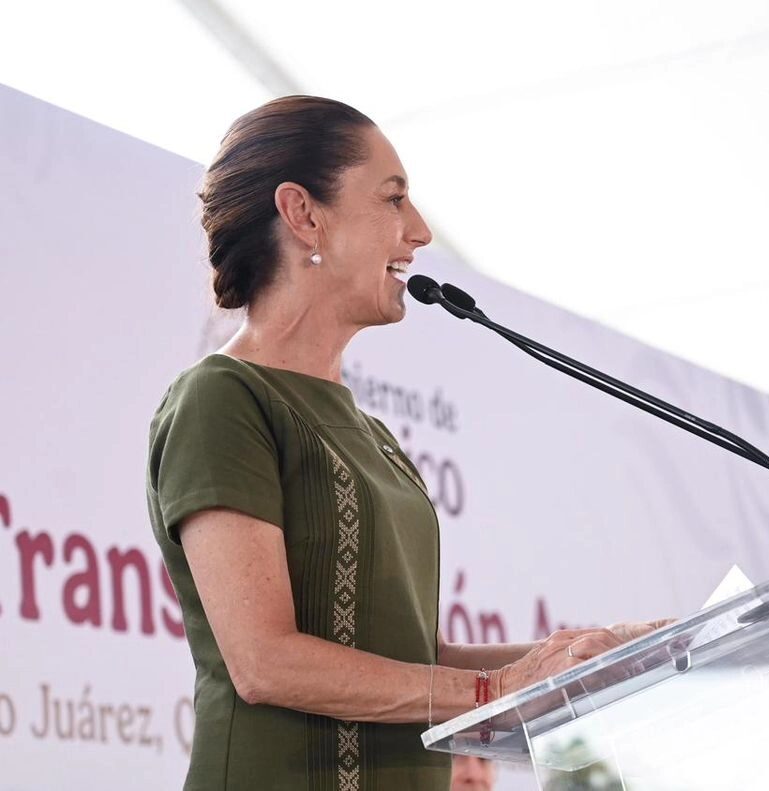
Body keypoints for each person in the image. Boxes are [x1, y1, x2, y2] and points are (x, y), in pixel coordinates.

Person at [146, 95, 667, 790]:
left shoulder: (375, 436)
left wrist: (591, 657)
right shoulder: (223, 397)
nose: (419, 231)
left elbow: (416, 660)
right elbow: (264, 661)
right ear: (303, 213)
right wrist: (494, 689)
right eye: (393, 199)